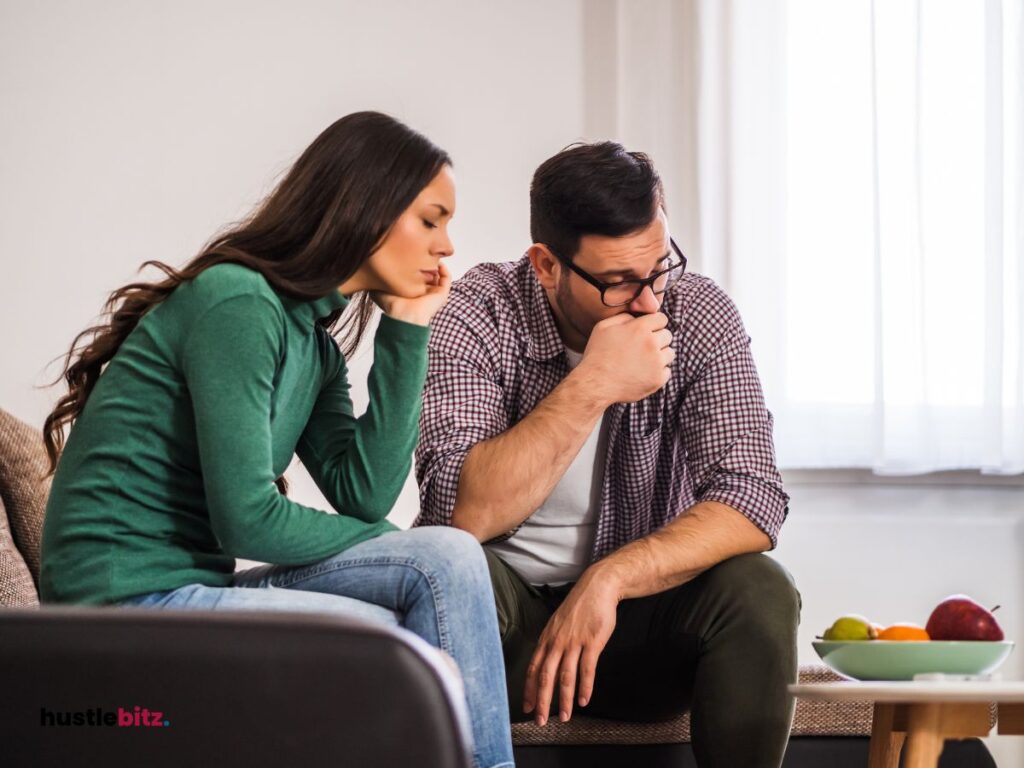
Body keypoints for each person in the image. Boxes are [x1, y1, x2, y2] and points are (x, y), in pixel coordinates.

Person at [39, 111, 514, 768]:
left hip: (192, 588)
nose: (447, 247)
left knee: (426, 590)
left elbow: (364, 494)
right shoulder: (238, 302)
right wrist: (395, 544)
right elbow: (245, 518)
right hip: (123, 606)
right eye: (431, 219)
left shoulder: (314, 348)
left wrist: (406, 331)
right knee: (426, 589)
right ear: (368, 208)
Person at [415, 141, 801, 767]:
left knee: (759, 588)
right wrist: (593, 383)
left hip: (632, 624)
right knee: (453, 568)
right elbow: (464, 515)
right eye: (619, 283)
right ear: (547, 265)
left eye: (658, 267)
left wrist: (610, 579)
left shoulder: (697, 311)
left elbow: (753, 498)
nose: (649, 301)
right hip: (500, 634)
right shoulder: (481, 310)